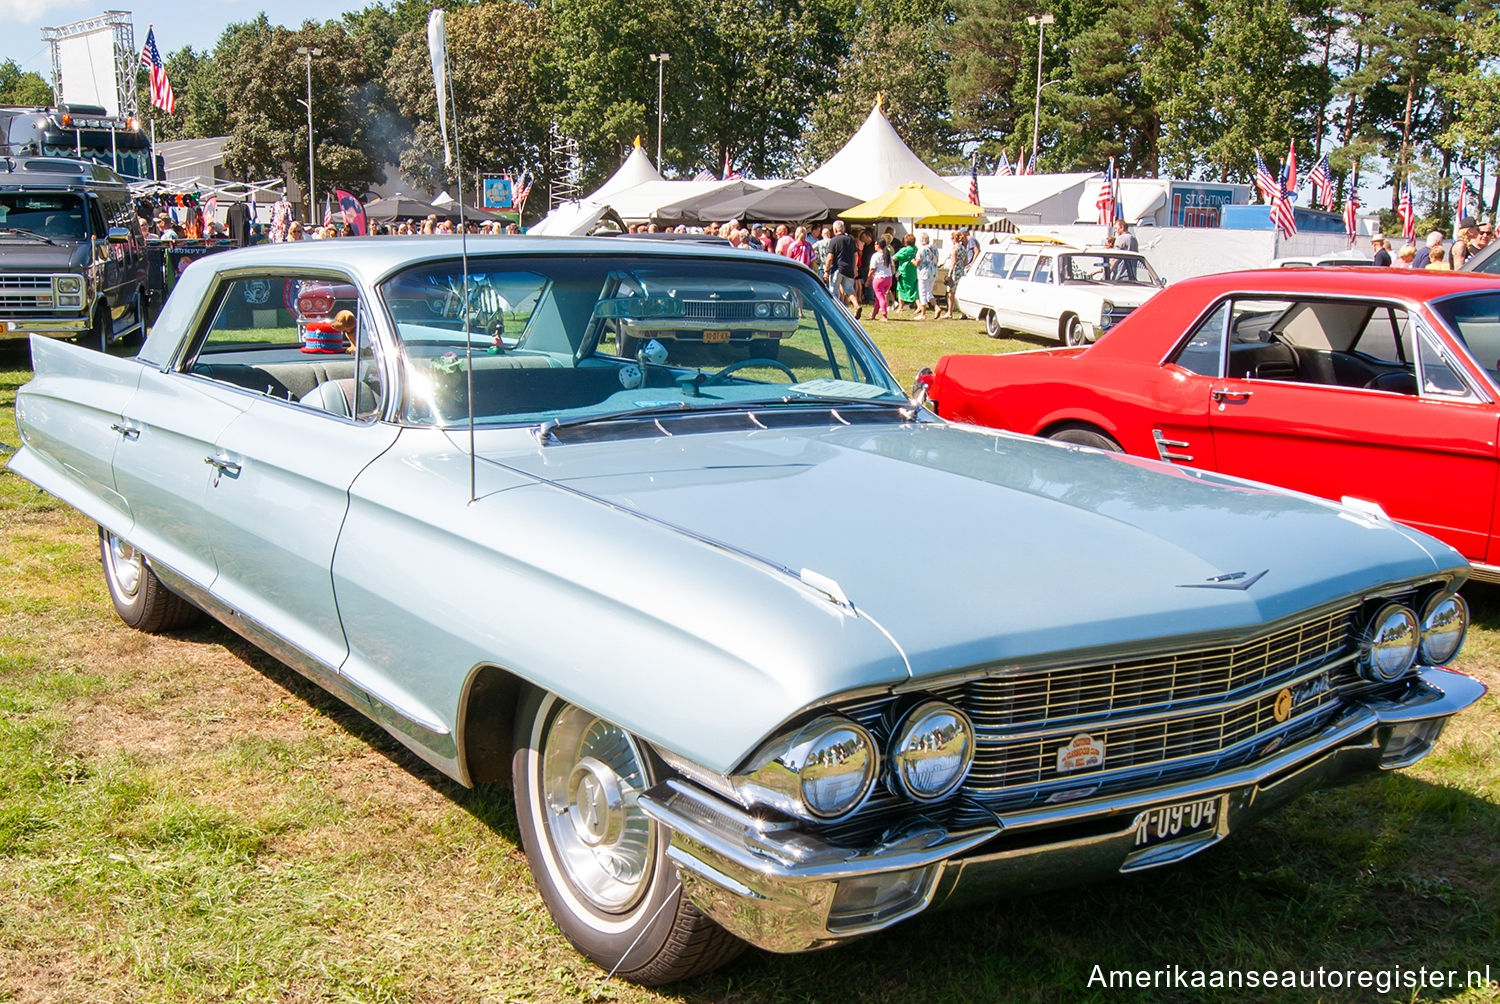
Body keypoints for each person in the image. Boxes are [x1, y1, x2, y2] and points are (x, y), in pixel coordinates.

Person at [825, 220, 860, 316]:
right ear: (843, 228)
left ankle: (834, 312)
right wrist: (854, 268)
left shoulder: (834, 240)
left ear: (835, 229)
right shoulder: (850, 240)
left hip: (837, 268)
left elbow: (830, 257)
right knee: (849, 289)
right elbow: (856, 255)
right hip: (849, 269)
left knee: (834, 291)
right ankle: (856, 305)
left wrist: (826, 270)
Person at [945, 230, 971, 320]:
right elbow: (966, 261)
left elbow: (953, 262)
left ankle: (950, 312)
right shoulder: (964, 248)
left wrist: (950, 273)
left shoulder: (955, 248)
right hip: (961, 271)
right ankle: (963, 312)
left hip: (955, 271)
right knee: (959, 293)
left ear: (954, 239)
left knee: (951, 293)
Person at [914, 233, 939, 319]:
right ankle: (936, 307)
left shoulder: (921, 249)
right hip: (933, 272)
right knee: (929, 292)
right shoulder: (934, 248)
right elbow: (937, 259)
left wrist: (912, 261)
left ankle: (923, 314)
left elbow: (917, 262)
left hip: (924, 273)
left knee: (923, 293)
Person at [868, 239, 894, 320]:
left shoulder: (876, 256)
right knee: (878, 298)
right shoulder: (888, 255)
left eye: (875, 244)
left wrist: (868, 279)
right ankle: (874, 314)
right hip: (888, 278)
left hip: (879, 279)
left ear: (878, 245)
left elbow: (872, 269)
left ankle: (884, 314)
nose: (874, 245)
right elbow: (892, 266)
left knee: (881, 297)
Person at [893, 233, 918, 312]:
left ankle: (900, 307)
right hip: (913, 271)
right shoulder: (916, 249)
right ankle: (918, 305)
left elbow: (894, 258)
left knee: (900, 288)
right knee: (913, 289)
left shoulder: (904, 250)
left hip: (904, 272)